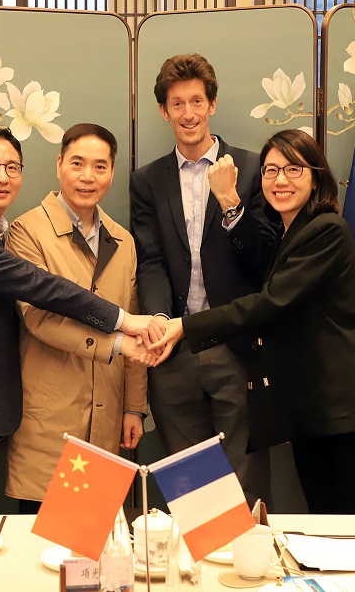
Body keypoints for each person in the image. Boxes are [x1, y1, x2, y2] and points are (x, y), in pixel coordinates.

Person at [0, 127, 157, 515]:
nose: (1, 177)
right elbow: (39, 290)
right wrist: (121, 324)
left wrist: (133, 405)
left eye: (11, 167)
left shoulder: (118, 240)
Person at [148, 129, 355, 514]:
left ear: (316, 177)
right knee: (322, 529)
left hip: (345, 411)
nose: (280, 180)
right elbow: (255, 258)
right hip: (310, 410)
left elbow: (269, 303)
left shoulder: (327, 230)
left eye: (293, 169)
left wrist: (186, 326)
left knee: (353, 532)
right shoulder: (287, 235)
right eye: (270, 170)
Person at [129, 54, 277, 506]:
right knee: (192, 489)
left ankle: (249, 553)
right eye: (177, 103)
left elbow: (264, 261)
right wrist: (158, 320)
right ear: (164, 111)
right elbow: (151, 261)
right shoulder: (147, 181)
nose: (188, 113)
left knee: (245, 483)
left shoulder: (252, 168)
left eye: (197, 101)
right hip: (173, 348)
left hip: (236, 346)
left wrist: (231, 201)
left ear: (212, 104)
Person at [4, 123, 148, 514]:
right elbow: (39, 318)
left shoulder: (123, 241)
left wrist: (134, 406)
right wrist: (116, 343)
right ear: (59, 165)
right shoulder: (27, 232)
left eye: (100, 167)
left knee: (98, 543)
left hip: (107, 418)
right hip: (51, 420)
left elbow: (133, 320)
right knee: (43, 543)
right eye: (77, 163)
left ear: (112, 173)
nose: (88, 176)